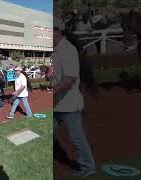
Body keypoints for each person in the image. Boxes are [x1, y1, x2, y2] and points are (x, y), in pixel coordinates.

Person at [53, 17, 96, 177]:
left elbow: (69, 79)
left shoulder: (68, 49)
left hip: (69, 104)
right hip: (57, 104)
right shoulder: (55, 49)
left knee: (77, 137)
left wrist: (53, 92)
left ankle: (88, 166)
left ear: (56, 31)